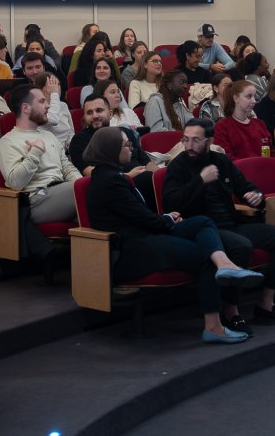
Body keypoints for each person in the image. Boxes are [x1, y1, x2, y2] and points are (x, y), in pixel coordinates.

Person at [82, 126, 263, 344]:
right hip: (132, 249)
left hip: (144, 235)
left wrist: (166, 218)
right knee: (205, 256)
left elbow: (139, 217)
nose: (131, 149)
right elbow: (143, 219)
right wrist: (167, 219)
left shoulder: (110, 176)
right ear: (111, 150)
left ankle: (225, 264)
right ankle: (214, 326)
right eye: (126, 145)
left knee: (202, 222)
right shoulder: (110, 182)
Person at [164, 118, 275, 332]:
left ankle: (267, 303)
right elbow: (171, 203)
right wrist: (200, 180)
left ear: (209, 141)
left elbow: (245, 187)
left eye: (196, 140)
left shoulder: (221, 161)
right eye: (185, 140)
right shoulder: (178, 166)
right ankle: (231, 311)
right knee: (241, 245)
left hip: (232, 223)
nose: (189, 145)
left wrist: (256, 196)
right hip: (205, 231)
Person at [0, 85, 81, 223]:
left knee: (99, 202)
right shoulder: (7, 142)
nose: (48, 105)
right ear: (26, 108)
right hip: (35, 200)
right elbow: (15, 183)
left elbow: (67, 168)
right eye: (42, 101)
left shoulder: (49, 136)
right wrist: (35, 153)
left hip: (61, 191)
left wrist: (81, 184)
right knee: (97, 188)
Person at [69, 94, 155, 206]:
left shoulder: (125, 132)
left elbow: (146, 162)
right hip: (115, 188)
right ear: (84, 117)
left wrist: (158, 176)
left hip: (143, 179)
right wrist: (127, 176)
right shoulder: (79, 140)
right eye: (89, 113)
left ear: (110, 113)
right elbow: (91, 173)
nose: (95, 116)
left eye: (99, 110)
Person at [214, 81, 271, 160]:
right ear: (236, 98)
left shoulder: (260, 124)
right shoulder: (222, 127)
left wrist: (266, 162)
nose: (254, 101)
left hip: (262, 166)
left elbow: (268, 152)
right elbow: (227, 158)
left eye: (254, 96)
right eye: (249, 96)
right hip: (240, 167)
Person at [33, 73, 75, 148]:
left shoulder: (63, 105)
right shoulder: (36, 108)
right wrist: (54, 94)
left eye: (58, 84)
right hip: (47, 150)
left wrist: (70, 142)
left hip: (65, 150)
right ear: (40, 89)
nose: (56, 88)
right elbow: (53, 120)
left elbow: (71, 131)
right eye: (51, 85)